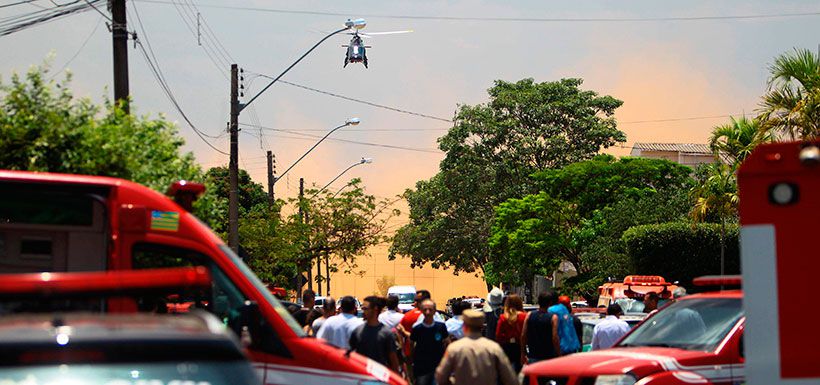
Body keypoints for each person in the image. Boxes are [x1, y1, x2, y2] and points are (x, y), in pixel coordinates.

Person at [435, 309, 517, 385]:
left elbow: (441, 377)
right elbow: (510, 378)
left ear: (464, 327)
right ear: (482, 327)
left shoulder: (454, 348)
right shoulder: (494, 348)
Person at [349, 296, 400, 373]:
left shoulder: (387, 333)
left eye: (365, 309)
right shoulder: (357, 331)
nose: (363, 312)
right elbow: (351, 356)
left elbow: (393, 361)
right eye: (362, 309)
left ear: (375, 309)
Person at [410, 299, 449, 385]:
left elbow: (447, 343)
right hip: (421, 368)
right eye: (425, 309)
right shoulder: (417, 328)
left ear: (434, 311)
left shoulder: (441, 327)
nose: (427, 312)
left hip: (438, 366)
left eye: (430, 309)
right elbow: (411, 346)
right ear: (421, 311)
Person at [520, 291, 560, 365]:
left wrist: (523, 353)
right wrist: (558, 353)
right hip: (548, 356)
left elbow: (523, 335)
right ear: (550, 303)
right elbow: (555, 338)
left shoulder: (529, 315)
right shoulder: (553, 318)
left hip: (533, 355)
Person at [495, 294, 526, 372]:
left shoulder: (503, 317)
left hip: (506, 347)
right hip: (520, 346)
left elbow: (498, 335)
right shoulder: (524, 316)